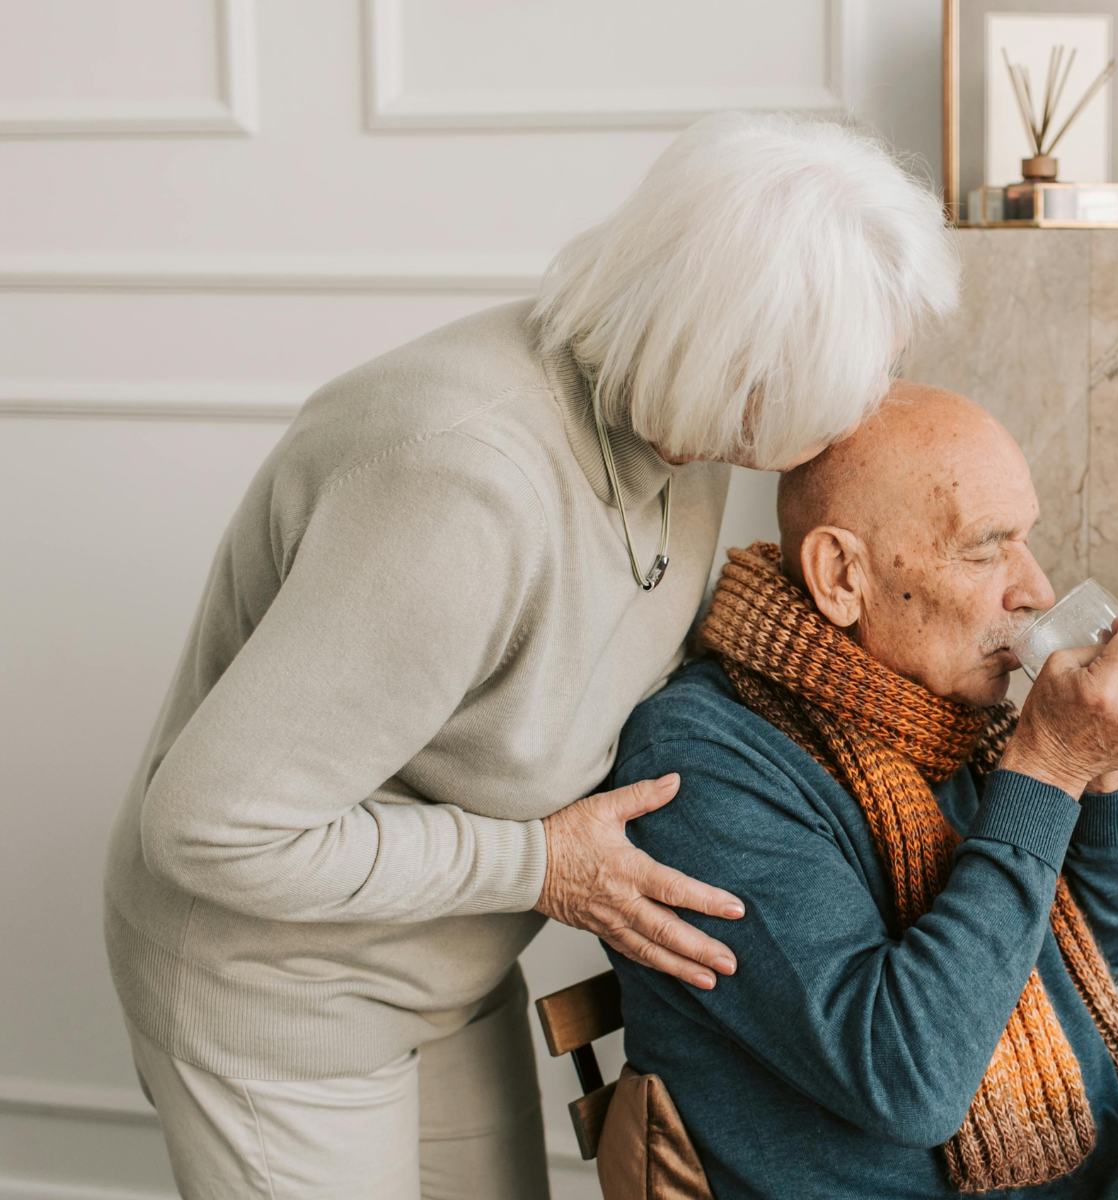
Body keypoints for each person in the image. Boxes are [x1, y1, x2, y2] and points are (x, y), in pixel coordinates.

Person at [102, 114, 957, 1200]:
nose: (874, 399)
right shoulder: (460, 486)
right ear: (743, 360)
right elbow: (210, 828)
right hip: (280, 993)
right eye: (863, 369)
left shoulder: (686, 426)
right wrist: (542, 865)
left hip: (446, 958)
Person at [605, 383, 1118, 1199]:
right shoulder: (702, 765)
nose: (1034, 587)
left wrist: (1106, 770)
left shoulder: (946, 712)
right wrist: (1050, 768)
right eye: (985, 546)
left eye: (1025, 538)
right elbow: (910, 1078)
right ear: (841, 576)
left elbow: (1103, 955)